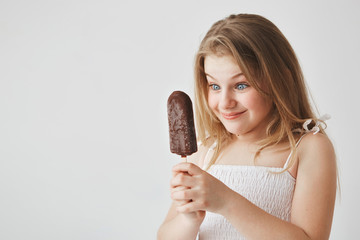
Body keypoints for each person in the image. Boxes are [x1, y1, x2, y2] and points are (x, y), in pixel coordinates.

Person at [157, 13, 337, 240]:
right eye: (214, 86)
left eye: (241, 85)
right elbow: (165, 236)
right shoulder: (205, 151)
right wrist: (188, 220)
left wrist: (226, 202)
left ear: (279, 80)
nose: (225, 102)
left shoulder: (308, 148)